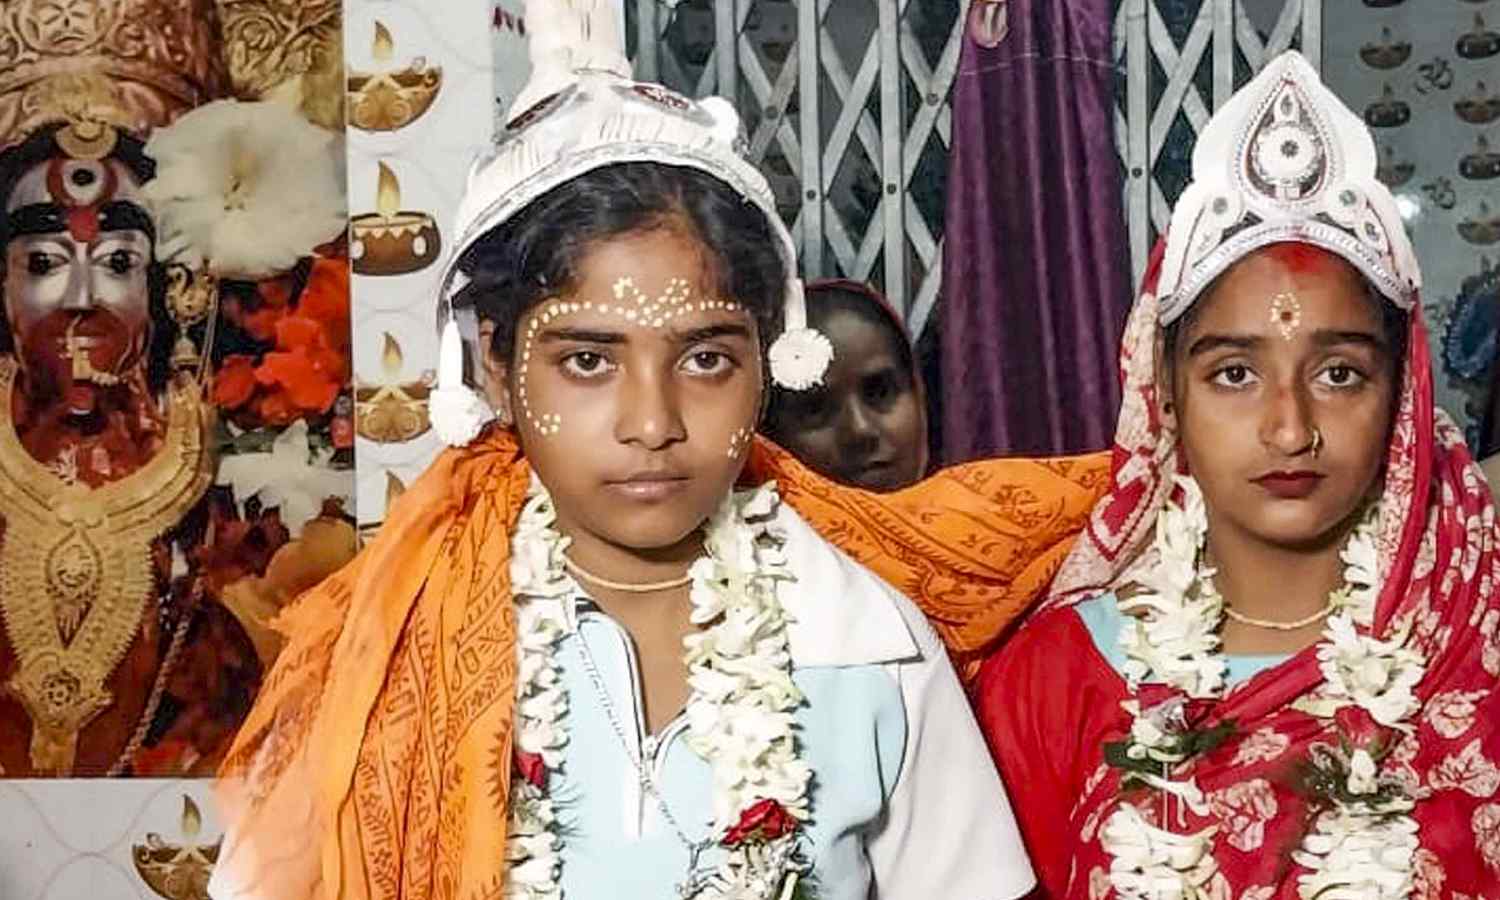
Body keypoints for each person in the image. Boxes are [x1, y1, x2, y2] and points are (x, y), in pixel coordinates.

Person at [209, 2, 1108, 896]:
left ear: (769, 362)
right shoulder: (384, 657)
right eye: (589, 361)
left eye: (706, 359)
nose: (653, 422)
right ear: (497, 369)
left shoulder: (866, 639)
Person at [974, 51, 1500, 898]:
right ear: (1164, 392)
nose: (1290, 428)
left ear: (1402, 397)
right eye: (1234, 373)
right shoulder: (1055, 680)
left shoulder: (1472, 643)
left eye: (1340, 374)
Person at [0, 114, 261, 777]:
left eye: (118, 263)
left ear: (168, 289)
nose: (81, 297)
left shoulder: (226, 470)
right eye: (44, 263)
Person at [763, 278, 929, 492]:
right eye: (815, 408)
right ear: (769, 433)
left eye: (881, 393)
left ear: (918, 394)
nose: (860, 429)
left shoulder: (971, 504)